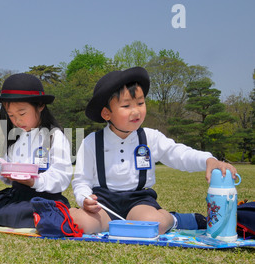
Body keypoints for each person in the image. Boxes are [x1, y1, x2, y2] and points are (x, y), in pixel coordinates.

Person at [70, 67, 237, 234]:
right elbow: (81, 180)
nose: (136, 111)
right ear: (106, 113)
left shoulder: (150, 138)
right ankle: (110, 222)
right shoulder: (91, 141)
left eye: (141, 103)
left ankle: (176, 219)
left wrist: (208, 160)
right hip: (103, 203)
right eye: (126, 105)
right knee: (80, 223)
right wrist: (84, 198)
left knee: (152, 223)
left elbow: (178, 154)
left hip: (139, 202)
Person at [0, 73, 73, 228]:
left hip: (43, 198)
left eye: (22, 113)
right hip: (15, 196)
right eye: (11, 115)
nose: (17, 120)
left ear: (40, 105)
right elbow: (8, 178)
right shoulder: (15, 139)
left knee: (27, 211)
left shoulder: (54, 137)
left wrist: (34, 181)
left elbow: (62, 176)